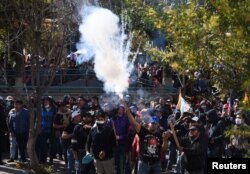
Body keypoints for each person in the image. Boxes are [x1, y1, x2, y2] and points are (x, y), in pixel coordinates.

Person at [124, 102, 171, 174]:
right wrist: (127, 110)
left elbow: (164, 149)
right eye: (152, 123)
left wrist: (165, 140)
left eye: (155, 123)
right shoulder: (143, 131)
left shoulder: (160, 134)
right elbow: (133, 122)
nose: (153, 125)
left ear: (158, 124)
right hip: (144, 163)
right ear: (148, 124)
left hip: (156, 164)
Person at [87, 110, 116, 174]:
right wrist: (89, 153)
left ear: (105, 119)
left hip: (107, 160)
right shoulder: (93, 130)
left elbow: (113, 144)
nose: (99, 121)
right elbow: (89, 143)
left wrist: (105, 151)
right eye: (97, 119)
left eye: (101, 119)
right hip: (97, 160)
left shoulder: (109, 130)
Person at [108, 105, 130, 174]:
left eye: (122, 110)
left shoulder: (126, 119)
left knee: (124, 162)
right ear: (117, 110)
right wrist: (113, 137)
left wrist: (121, 137)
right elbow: (108, 131)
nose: (121, 111)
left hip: (123, 143)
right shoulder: (112, 119)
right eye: (120, 109)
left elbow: (128, 132)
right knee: (116, 162)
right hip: (115, 144)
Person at [36, 96, 57, 164]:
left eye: (47, 101)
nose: (46, 102)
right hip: (43, 130)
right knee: (42, 145)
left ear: (50, 102)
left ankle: (51, 159)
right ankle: (43, 159)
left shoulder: (54, 109)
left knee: (52, 146)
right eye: (44, 101)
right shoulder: (41, 109)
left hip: (52, 130)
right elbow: (38, 119)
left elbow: (56, 120)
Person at [0, 96, 8, 165]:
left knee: (1, 146)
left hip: (1, 131)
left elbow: (4, 121)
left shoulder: (3, 109)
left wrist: (6, 129)